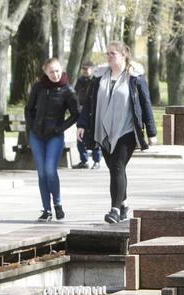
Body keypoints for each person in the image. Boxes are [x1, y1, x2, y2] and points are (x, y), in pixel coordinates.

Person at [77, 41, 157, 224]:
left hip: (126, 130)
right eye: (107, 53)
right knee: (115, 169)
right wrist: (81, 125)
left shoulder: (135, 77)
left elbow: (145, 104)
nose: (109, 56)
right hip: (103, 130)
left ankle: (114, 209)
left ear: (123, 55)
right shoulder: (99, 78)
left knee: (118, 167)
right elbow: (89, 103)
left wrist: (151, 132)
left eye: (113, 53)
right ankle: (124, 204)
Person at [24, 57, 80, 222]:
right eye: (51, 72)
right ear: (45, 72)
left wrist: (60, 128)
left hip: (54, 135)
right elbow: (29, 109)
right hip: (37, 135)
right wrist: (32, 126)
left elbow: (76, 114)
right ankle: (46, 209)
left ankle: (57, 204)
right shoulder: (38, 87)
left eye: (57, 71)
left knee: (50, 170)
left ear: (61, 69)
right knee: (41, 173)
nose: (54, 75)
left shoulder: (67, 90)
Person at [73, 61, 102, 169]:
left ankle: (97, 161)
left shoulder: (96, 81)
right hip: (81, 112)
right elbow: (75, 95)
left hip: (94, 112)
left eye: (87, 68)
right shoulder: (80, 81)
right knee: (80, 138)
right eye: (83, 69)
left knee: (95, 137)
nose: (85, 71)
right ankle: (84, 160)